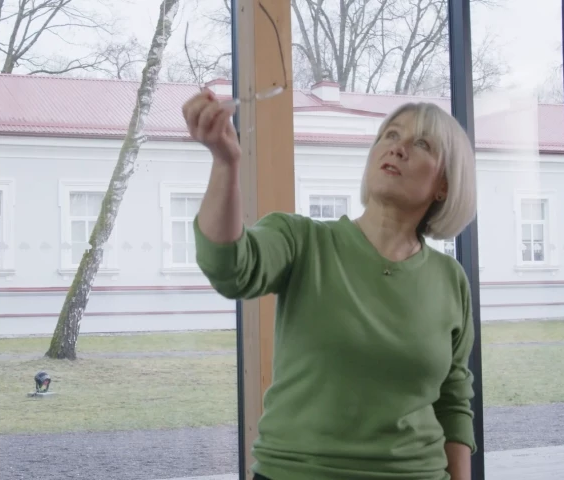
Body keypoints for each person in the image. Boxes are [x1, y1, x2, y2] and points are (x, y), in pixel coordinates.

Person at [181, 89, 478, 480]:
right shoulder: (301, 240)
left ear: (445, 184)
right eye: (390, 135)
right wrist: (225, 161)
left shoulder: (450, 279)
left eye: (421, 143)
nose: (398, 148)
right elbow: (228, 266)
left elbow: (453, 401)